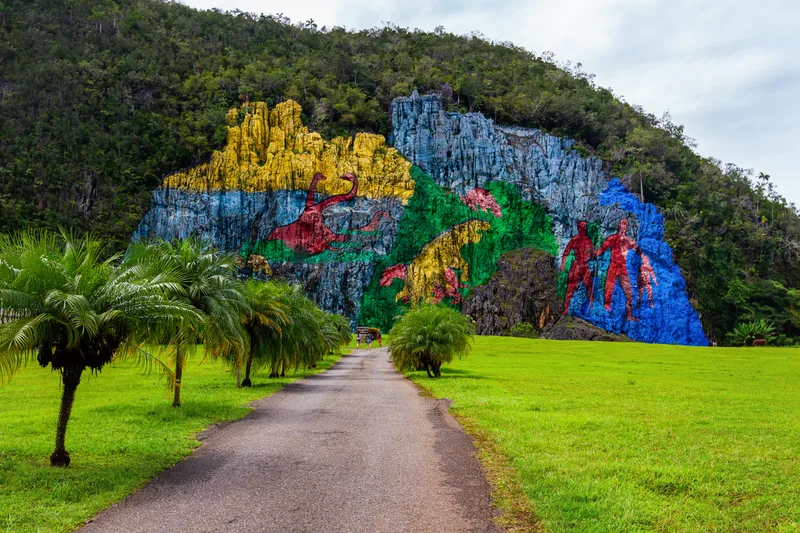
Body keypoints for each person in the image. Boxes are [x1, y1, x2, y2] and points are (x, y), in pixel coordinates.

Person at [596, 218, 640, 321]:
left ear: (627, 227)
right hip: (613, 266)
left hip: (622, 268)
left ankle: (629, 315)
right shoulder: (612, 238)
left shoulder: (629, 241)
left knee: (629, 293)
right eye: (622, 223)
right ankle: (606, 307)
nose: (624, 225)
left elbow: (638, 251)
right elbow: (602, 249)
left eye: (625, 224)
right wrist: (596, 253)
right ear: (619, 225)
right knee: (608, 288)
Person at [561, 221, 596, 314]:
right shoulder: (575, 239)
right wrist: (563, 265)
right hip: (578, 265)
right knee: (571, 286)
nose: (583, 228)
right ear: (579, 228)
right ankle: (566, 309)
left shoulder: (588, 241)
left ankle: (591, 307)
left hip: (584, 265)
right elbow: (566, 252)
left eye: (585, 227)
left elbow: (593, 254)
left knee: (589, 286)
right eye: (582, 227)